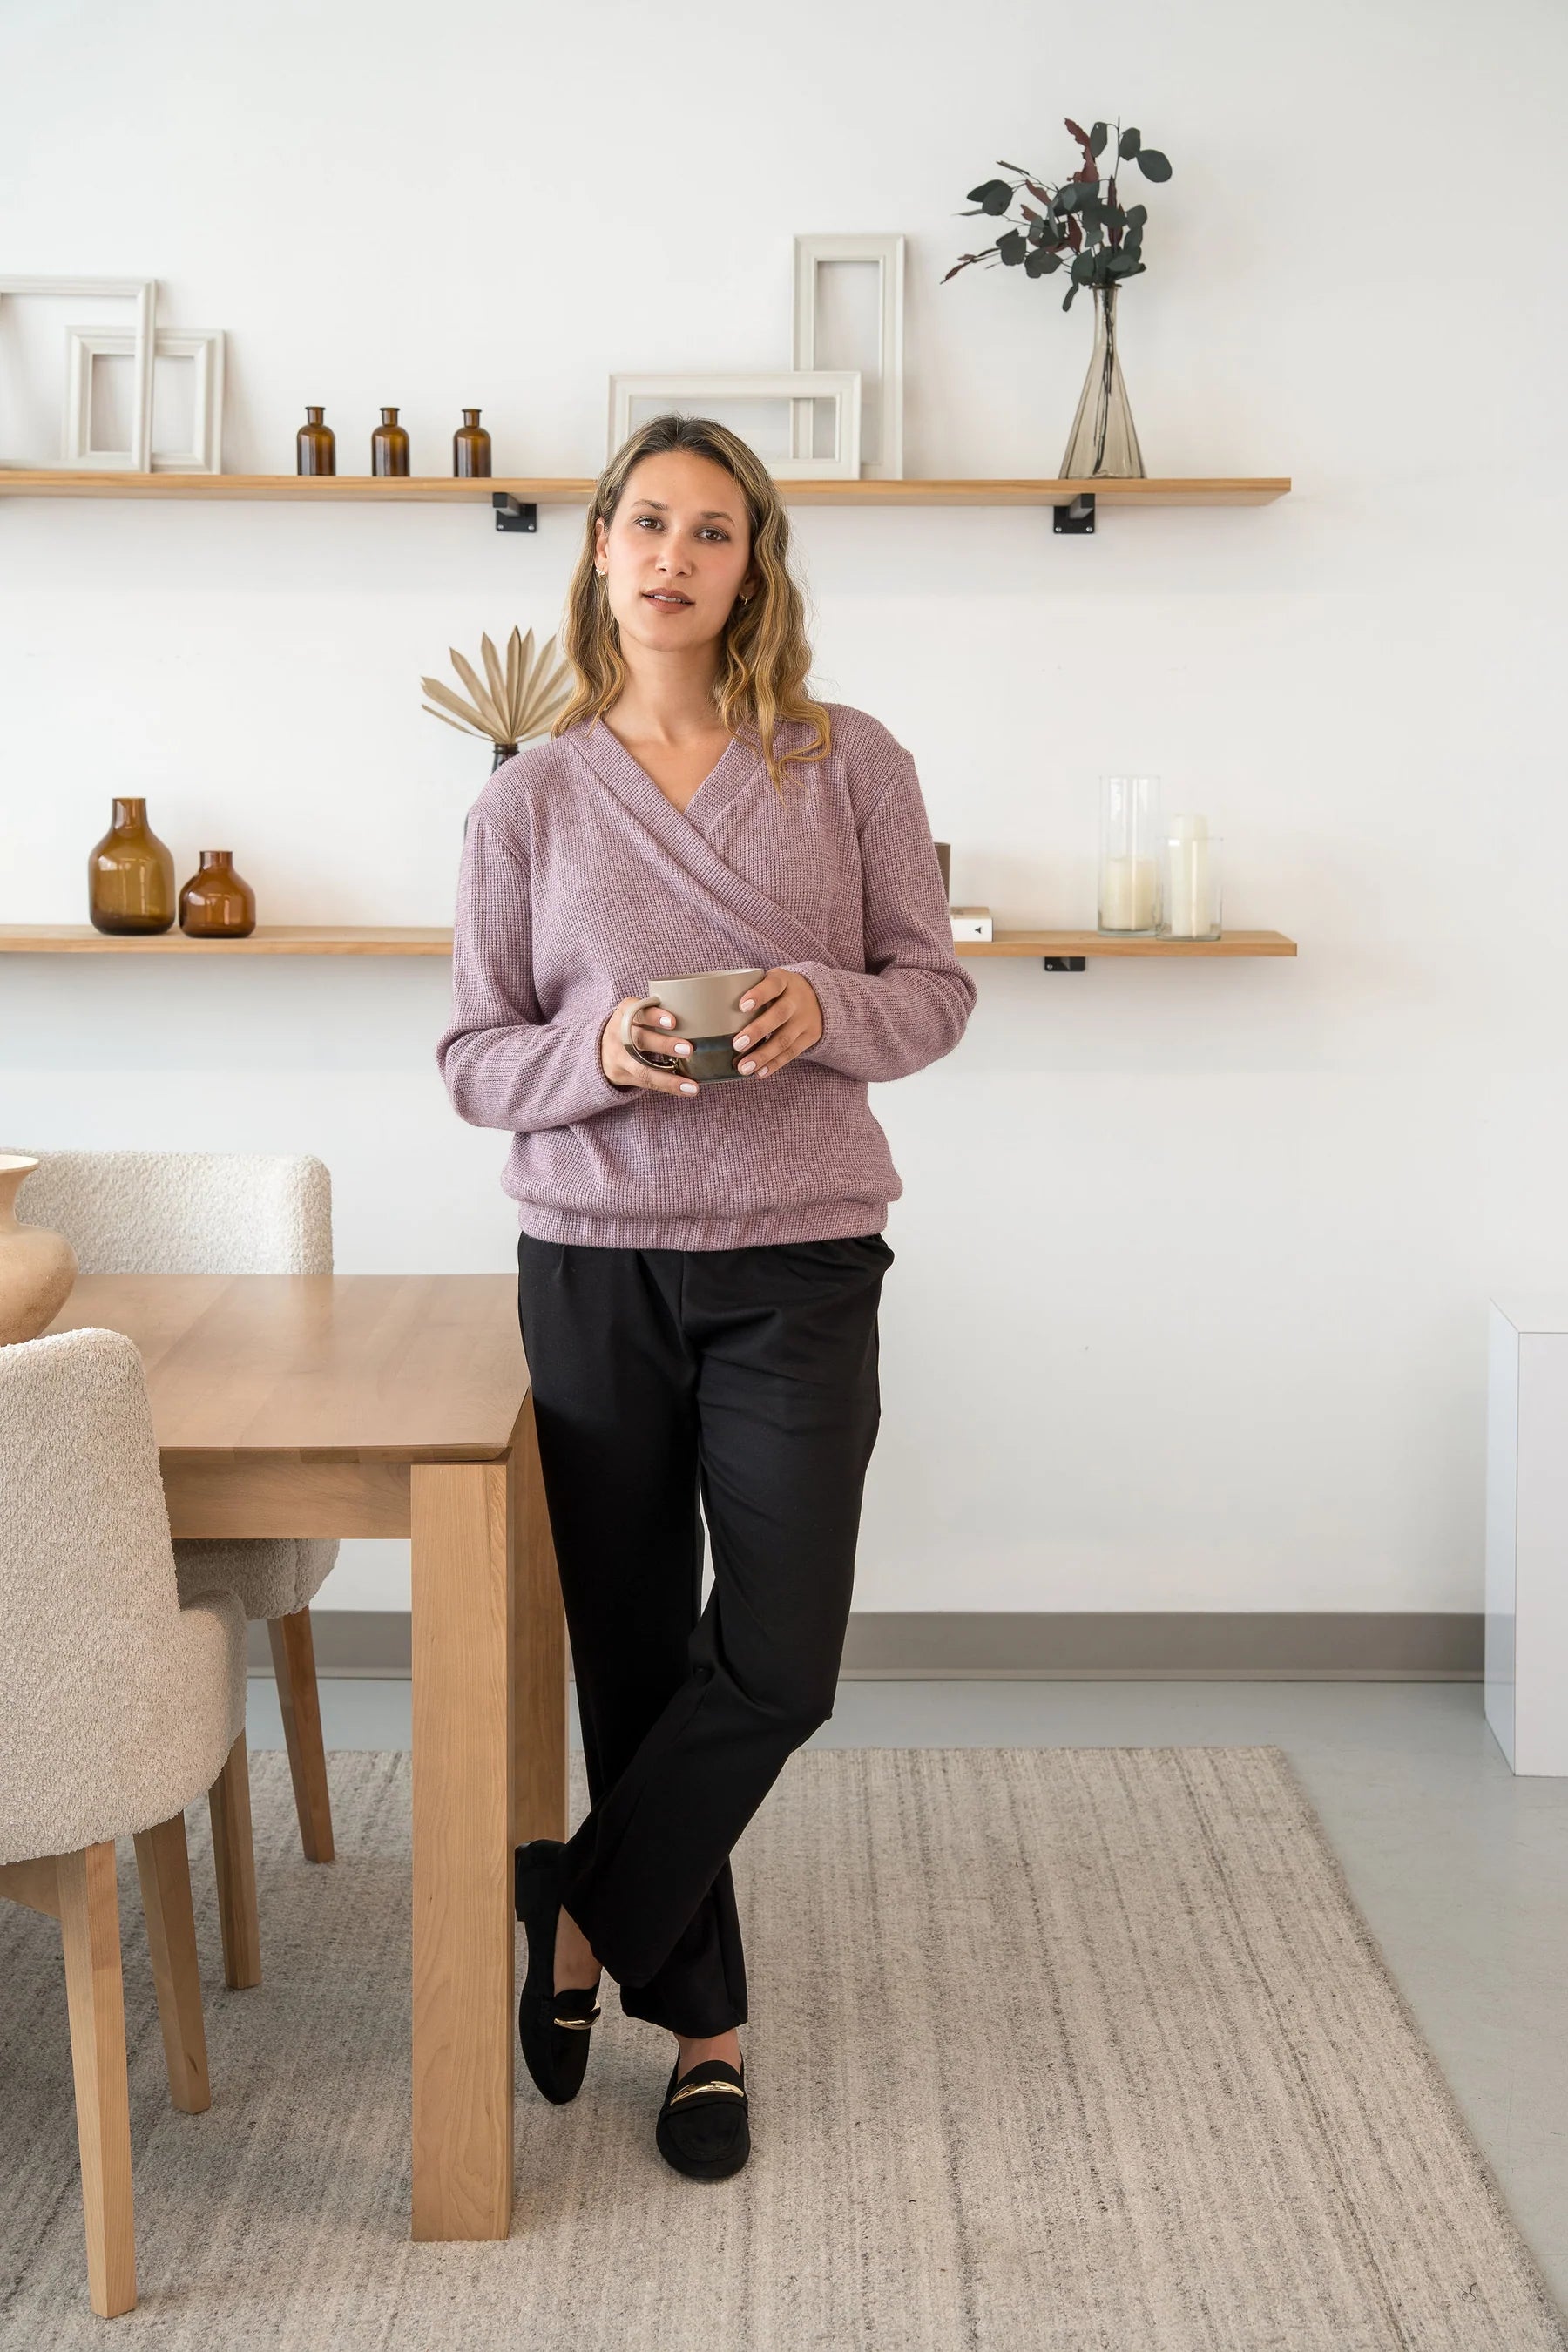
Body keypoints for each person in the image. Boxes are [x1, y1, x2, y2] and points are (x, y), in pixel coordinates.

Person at [435, 411, 976, 2181]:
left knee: (782, 1655)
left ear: (757, 563)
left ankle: (580, 1908)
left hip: (802, 1258)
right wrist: (596, 1048)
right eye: (648, 523)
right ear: (598, 547)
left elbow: (936, 994)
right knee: (640, 1653)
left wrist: (829, 1004)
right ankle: (714, 2034)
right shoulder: (524, 802)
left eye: (715, 532)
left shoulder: (853, 762)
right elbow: (472, 1058)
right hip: (593, 1267)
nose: (676, 558)